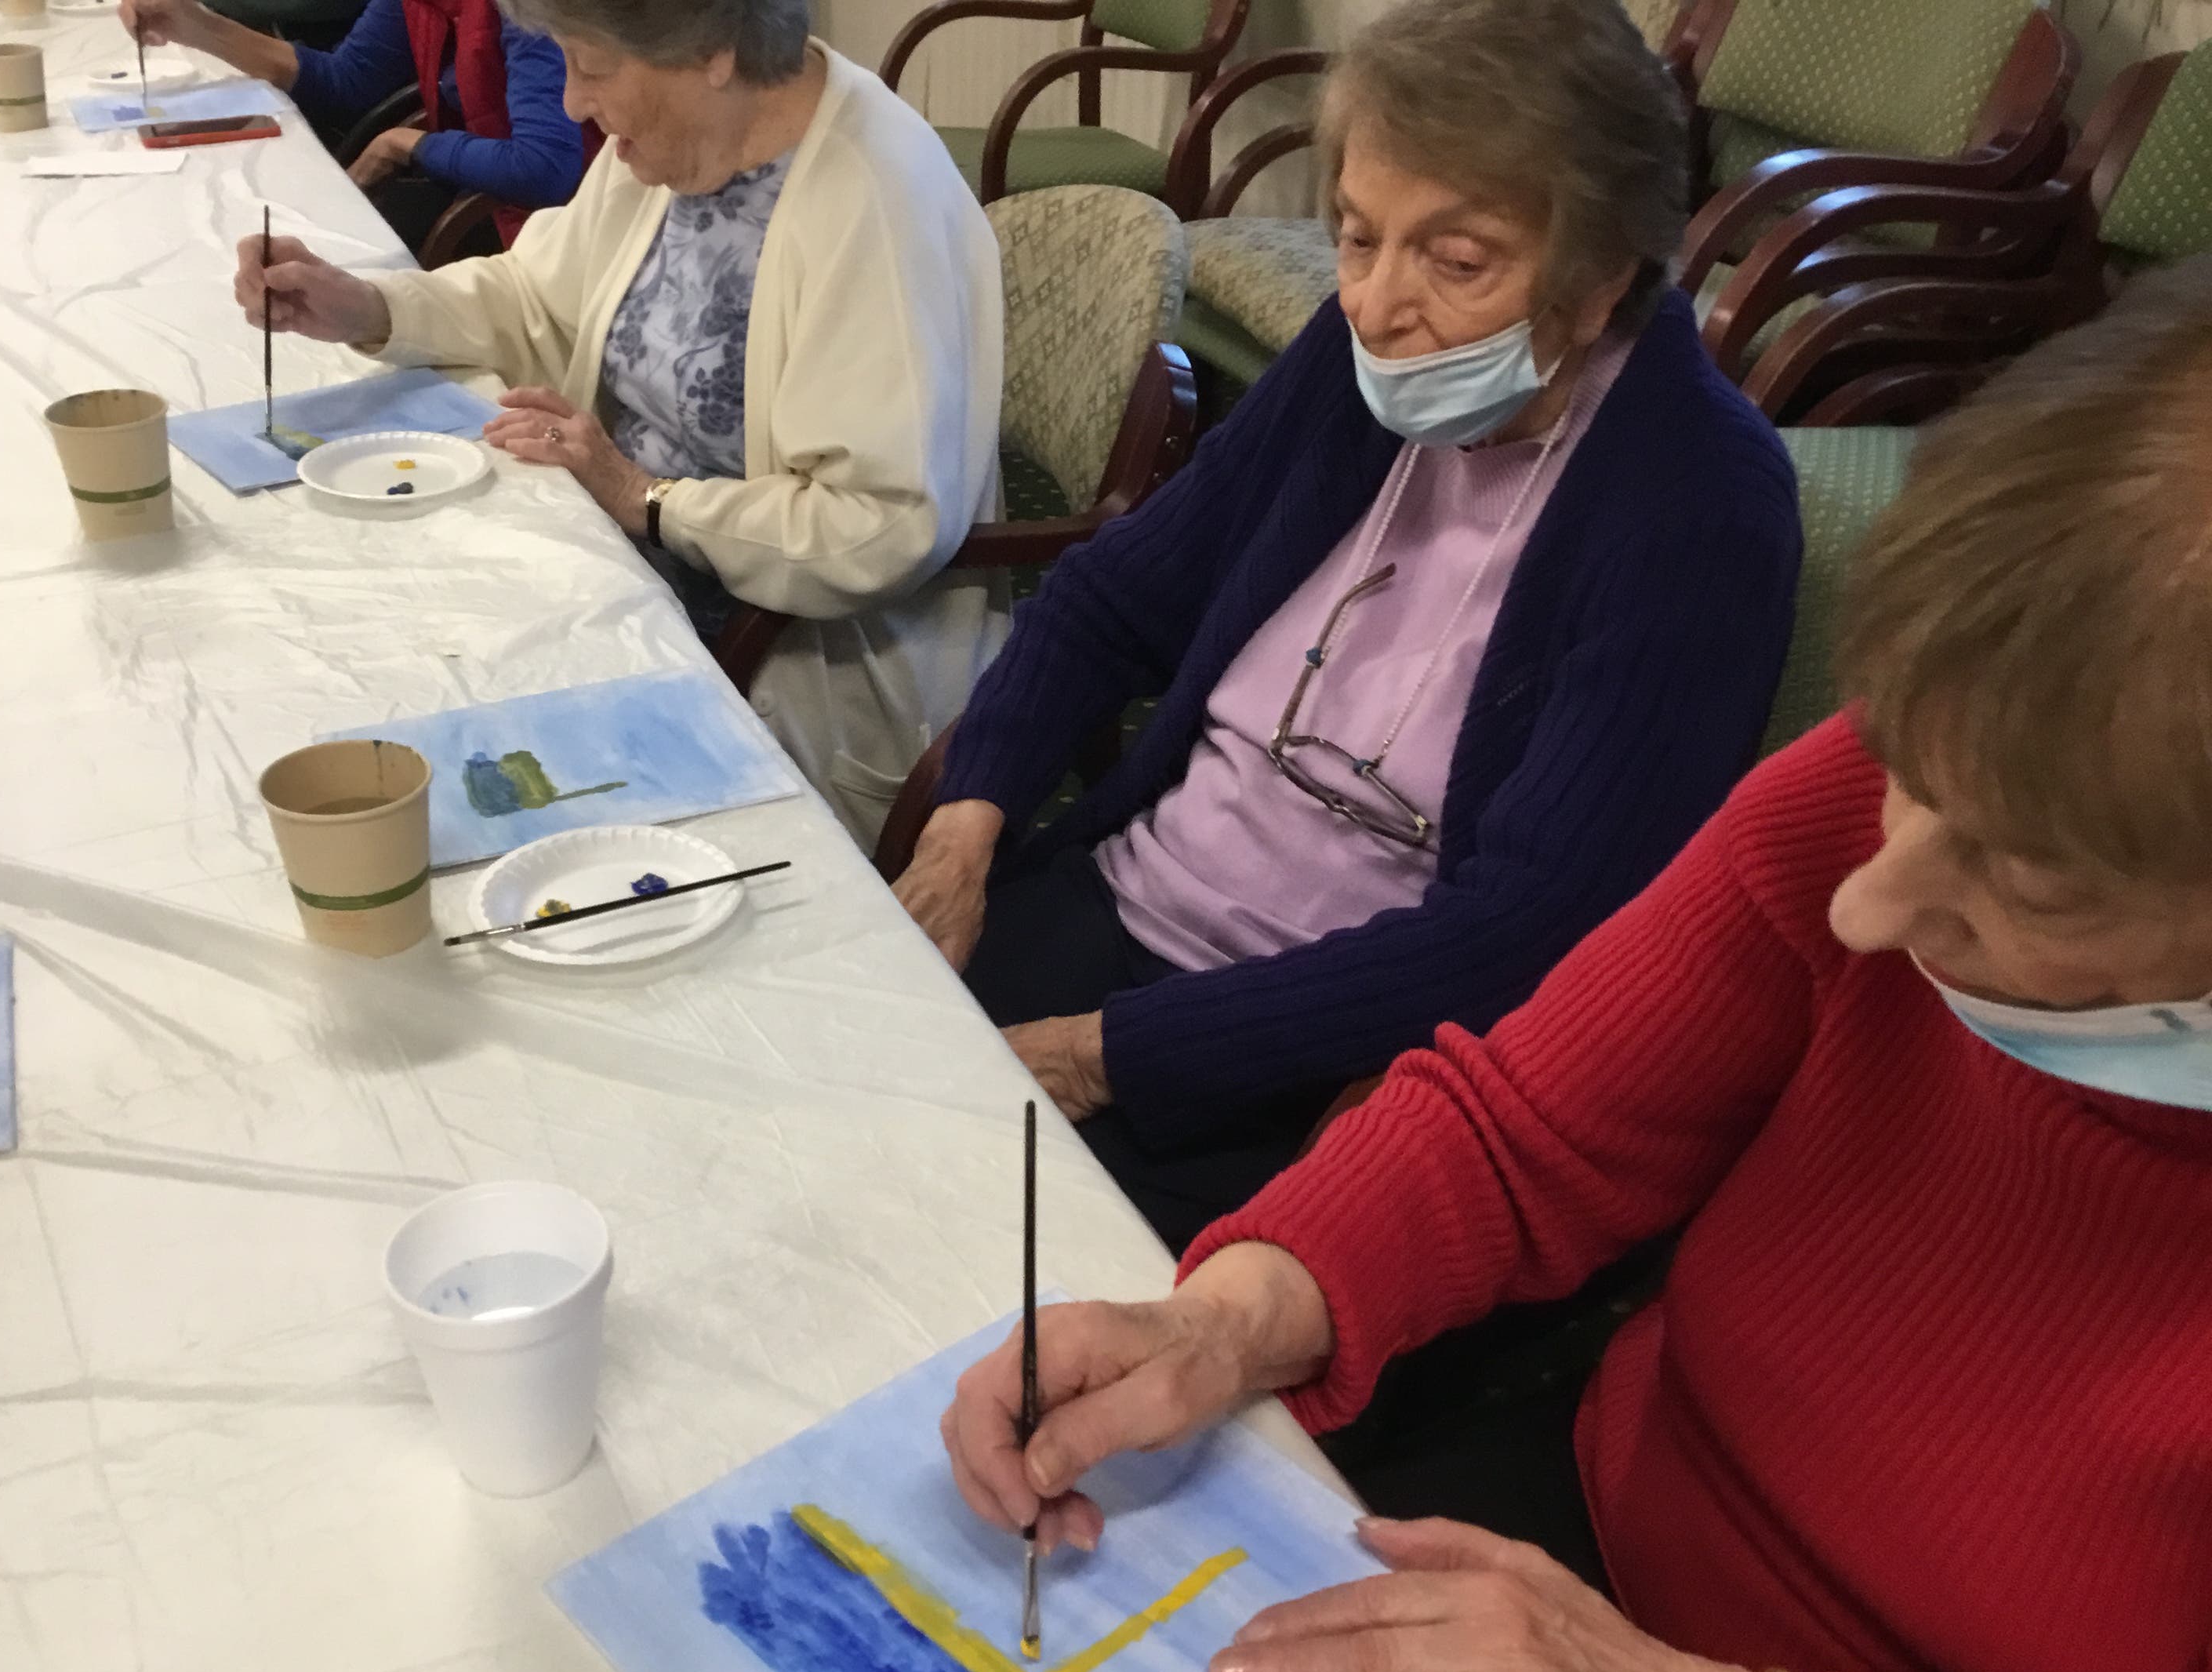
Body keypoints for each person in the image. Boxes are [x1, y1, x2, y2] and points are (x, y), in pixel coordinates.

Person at [940, 262, 2212, 1672]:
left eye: (2026, 884)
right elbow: (1527, 1125)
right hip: (1593, 1539)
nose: (1869, 903)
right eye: (1901, 764)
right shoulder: (1927, 785)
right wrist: (1229, 1318)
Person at [891, 0, 1799, 1254]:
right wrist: (967, 826)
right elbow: (1113, 597)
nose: (1375, 305)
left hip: (1315, 1056)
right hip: (1121, 902)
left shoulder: (1699, 506)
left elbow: (1526, 933)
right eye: (1359, 238)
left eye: (1456, 261)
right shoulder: (1364, 365)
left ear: (1602, 281)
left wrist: (1111, 1054)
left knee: (956, 1270)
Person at [230, 0, 1005, 842]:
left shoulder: (874, 204)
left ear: (713, 51)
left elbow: (877, 526)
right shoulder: (681, 137)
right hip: (629, 574)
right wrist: (369, 306)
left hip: (781, 659)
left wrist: (645, 497)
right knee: (351, 653)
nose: (571, 102)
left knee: (438, 795)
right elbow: (536, 296)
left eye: (592, 67)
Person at [122, 0, 586, 258]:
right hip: (477, 189)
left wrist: (406, 143)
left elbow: (545, 169)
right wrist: (198, 26)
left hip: (542, 234)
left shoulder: (530, 12)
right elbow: (346, 82)